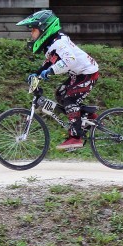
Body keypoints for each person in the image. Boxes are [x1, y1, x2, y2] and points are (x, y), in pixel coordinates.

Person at [18, 10, 100, 150]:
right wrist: (36, 74)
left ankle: (75, 137)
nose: (31, 34)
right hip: (79, 74)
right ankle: (88, 116)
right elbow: (49, 62)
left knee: (69, 99)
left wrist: (50, 71)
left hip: (87, 73)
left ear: (44, 28)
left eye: (33, 30)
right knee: (60, 94)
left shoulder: (59, 43)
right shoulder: (51, 44)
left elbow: (70, 60)